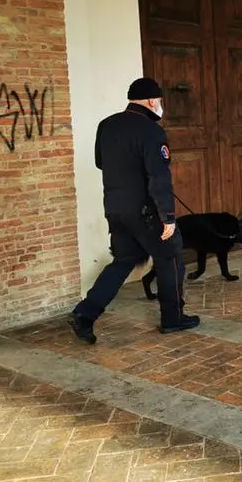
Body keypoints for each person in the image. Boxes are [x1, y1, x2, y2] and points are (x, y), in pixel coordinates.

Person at [69, 77, 200, 344]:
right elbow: (158, 177)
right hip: (146, 211)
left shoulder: (106, 125)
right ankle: (173, 319)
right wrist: (168, 217)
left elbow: (99, 163)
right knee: (171, 257)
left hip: (115, 209)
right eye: (159, 101)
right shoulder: (152, 131)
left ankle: (85, 312)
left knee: (124, 261)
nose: (160, 106)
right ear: (153, 101)